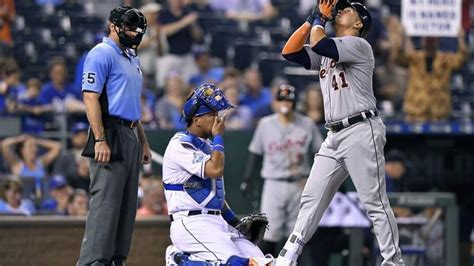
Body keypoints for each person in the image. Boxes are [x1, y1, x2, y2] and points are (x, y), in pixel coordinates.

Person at [276, 1, 404, 265]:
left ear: (358, 23)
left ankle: (393, 262)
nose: (341, 11)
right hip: (334, 135)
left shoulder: (359, 45)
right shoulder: (328, 46)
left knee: (374, 203)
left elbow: (322, 45)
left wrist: (320, 21)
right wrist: (312, 19)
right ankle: (288, 256)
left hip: (361, 129)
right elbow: (290, 52)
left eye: (348, 10)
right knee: (311, 197)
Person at [162, 83, 272, 265]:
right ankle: (181, 260)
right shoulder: (180, 145)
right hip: (191, 222)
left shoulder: (209, 146)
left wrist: (236, 222)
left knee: (263, 262)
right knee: (237, 263)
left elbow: (214, 196)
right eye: (212, 114)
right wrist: (218, 136)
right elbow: (215, 170)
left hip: (218, 222)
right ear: (196, 119)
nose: (218, 119)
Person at [77, 6, 152, 266]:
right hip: (110, 131)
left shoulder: (132, 57)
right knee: (106, 207)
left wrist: (142, 140)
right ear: (113, 25)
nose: (134, 33)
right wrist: (100, 139)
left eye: (137, 29)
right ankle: (93, 263)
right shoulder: (101, 54)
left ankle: (116, 261)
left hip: (131, 131)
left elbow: (132, 103)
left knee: (127, 207)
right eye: (130, 27)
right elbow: (90, 97)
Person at [240, 84, 323, 257]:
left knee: (297, 234)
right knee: (269, 232)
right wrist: (247, 178)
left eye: (289, 100)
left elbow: (320, 153)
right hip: (274, 184)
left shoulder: (307, 124)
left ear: (294, 103)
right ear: (275, 103)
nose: (285, 104)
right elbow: (255, 152)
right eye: (281, 100)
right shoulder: (265, 124)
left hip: (300, 183)